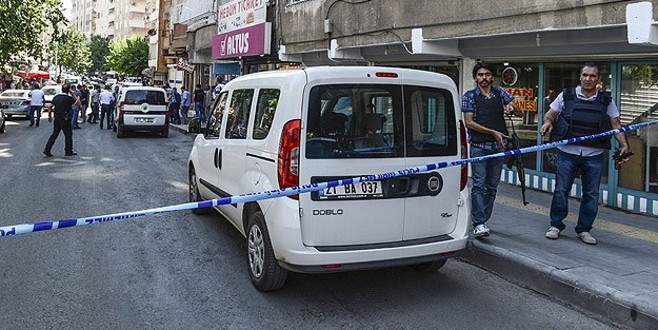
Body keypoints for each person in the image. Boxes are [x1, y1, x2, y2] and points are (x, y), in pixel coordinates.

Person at [540, 63, 631, 245]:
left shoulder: (606, 100)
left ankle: (584, 230)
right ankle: (556, 225)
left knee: (591, 194)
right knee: (561, 190)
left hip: (593, 154)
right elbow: (550, 114)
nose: (588, 79)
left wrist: (624, 144)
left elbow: (616, 124)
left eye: (592, 76)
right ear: (580, 76)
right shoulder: (566, 95)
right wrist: (548, 123)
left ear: (598, 79)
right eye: (585, 75)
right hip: (567, 152)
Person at [462, 62, 522, 238]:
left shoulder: (499, 93)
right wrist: (493, 132)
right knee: (479, 185)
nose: (484, 78)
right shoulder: (470, 96)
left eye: (487, 75)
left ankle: (483, 220)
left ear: (492, 77)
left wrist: (512, 107)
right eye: (480, 75)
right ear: (475, 78)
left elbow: (519, 112)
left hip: (498, 148)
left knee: (492, 186)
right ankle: (479, 222)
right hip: (479, 148)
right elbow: (469, 122)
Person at [43, 84, 76, 157]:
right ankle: (68, 151)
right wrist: (72, 93)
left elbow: (50, 106)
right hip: (65, 118)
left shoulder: (56, 97)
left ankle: (47, 149)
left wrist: (49, 116)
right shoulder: (69, 98)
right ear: (68, 90)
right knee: (68, 135)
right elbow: (76, 102)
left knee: (54, 134)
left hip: (57, 118)